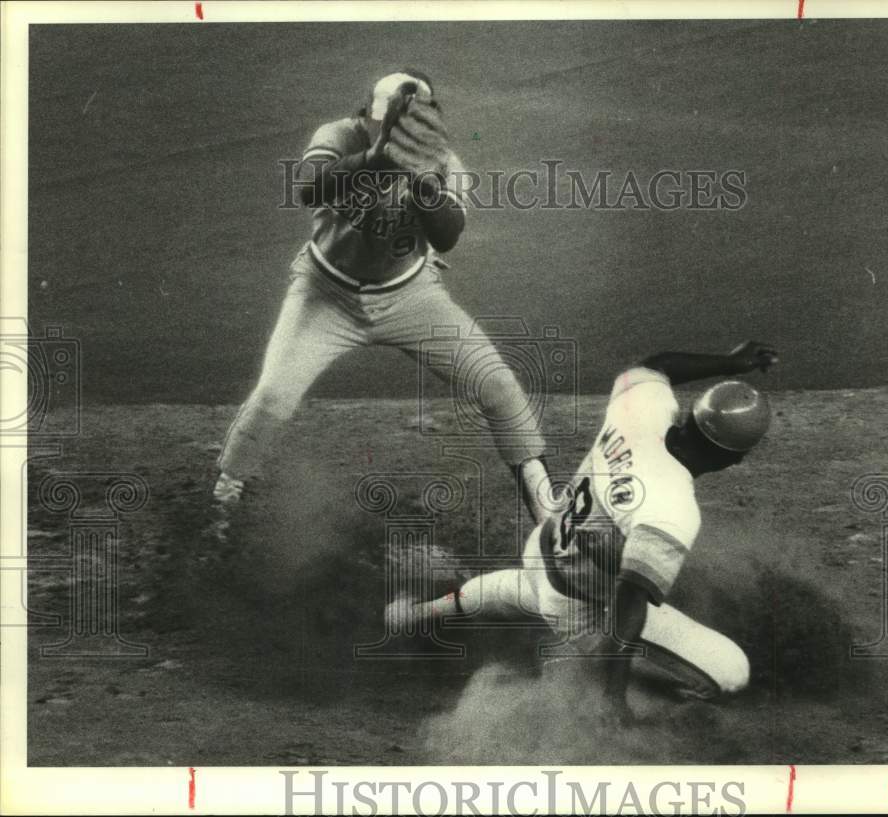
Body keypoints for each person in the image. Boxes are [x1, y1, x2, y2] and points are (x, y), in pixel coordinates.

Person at [213, 70, 552, 526]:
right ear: (366, 117)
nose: (392, 134)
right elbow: (309, 188)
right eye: (383, 126)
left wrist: (422, 184)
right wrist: (374, 159)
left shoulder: (444, 164)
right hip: (325, 294)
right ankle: (224, 501)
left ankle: (549, 515)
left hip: (411, 297)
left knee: (499, 387)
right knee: (272, 396)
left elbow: (447, 236)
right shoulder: (339, 136)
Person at [386, 340, 778, 718]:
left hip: (543, 546)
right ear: (734, 459)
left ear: (692, 415)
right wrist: (613, 696)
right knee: (730, 674)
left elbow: (656, 365)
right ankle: (587, 675)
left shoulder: (643, 411)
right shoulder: (673, 507)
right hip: (578, 609)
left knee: (520, 590)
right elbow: (629, 601)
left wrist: (730, 363)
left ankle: (413, 614)